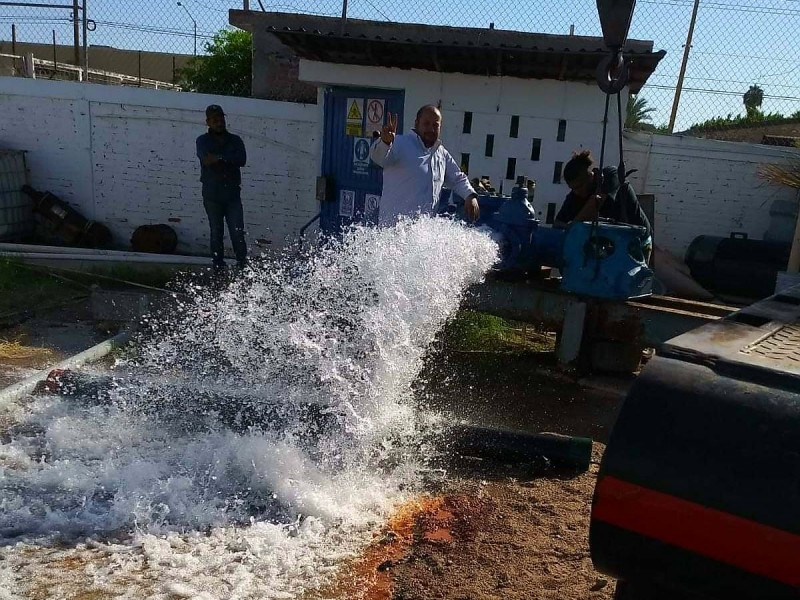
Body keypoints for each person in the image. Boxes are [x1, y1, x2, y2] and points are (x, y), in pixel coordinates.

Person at [369, 104, 479, 225]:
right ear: (417, 123)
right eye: (426, 124)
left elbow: (457, 178)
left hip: (422, 234)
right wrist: (385, 142)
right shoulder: (399, 143)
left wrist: (470, 195)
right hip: (394, 232)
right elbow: (378, 158)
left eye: (435, 125)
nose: (431, 129)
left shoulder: (441, 153)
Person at [554, 149, 652, 260]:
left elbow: (597, 202)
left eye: (580, 186)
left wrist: (574, 226)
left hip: (638, 239)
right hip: (612, 242)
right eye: (573, 188)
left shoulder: (611, 175)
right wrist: (567, 227)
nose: (577, 192)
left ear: (592, 175)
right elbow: (557, 224)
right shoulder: (574, 196)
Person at [195, 104, 248, 270]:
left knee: (237, 231)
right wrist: (226, 159)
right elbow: (206, 160)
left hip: (232, 193)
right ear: (208, 122)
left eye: (221, 119)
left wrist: (219, 158)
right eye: (215, 119)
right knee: (216, 231)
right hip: (212, 193)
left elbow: (241, 160)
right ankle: (218, 265)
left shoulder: (235, 140)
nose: (219, 122)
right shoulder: (202, 140)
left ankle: (242, 264)